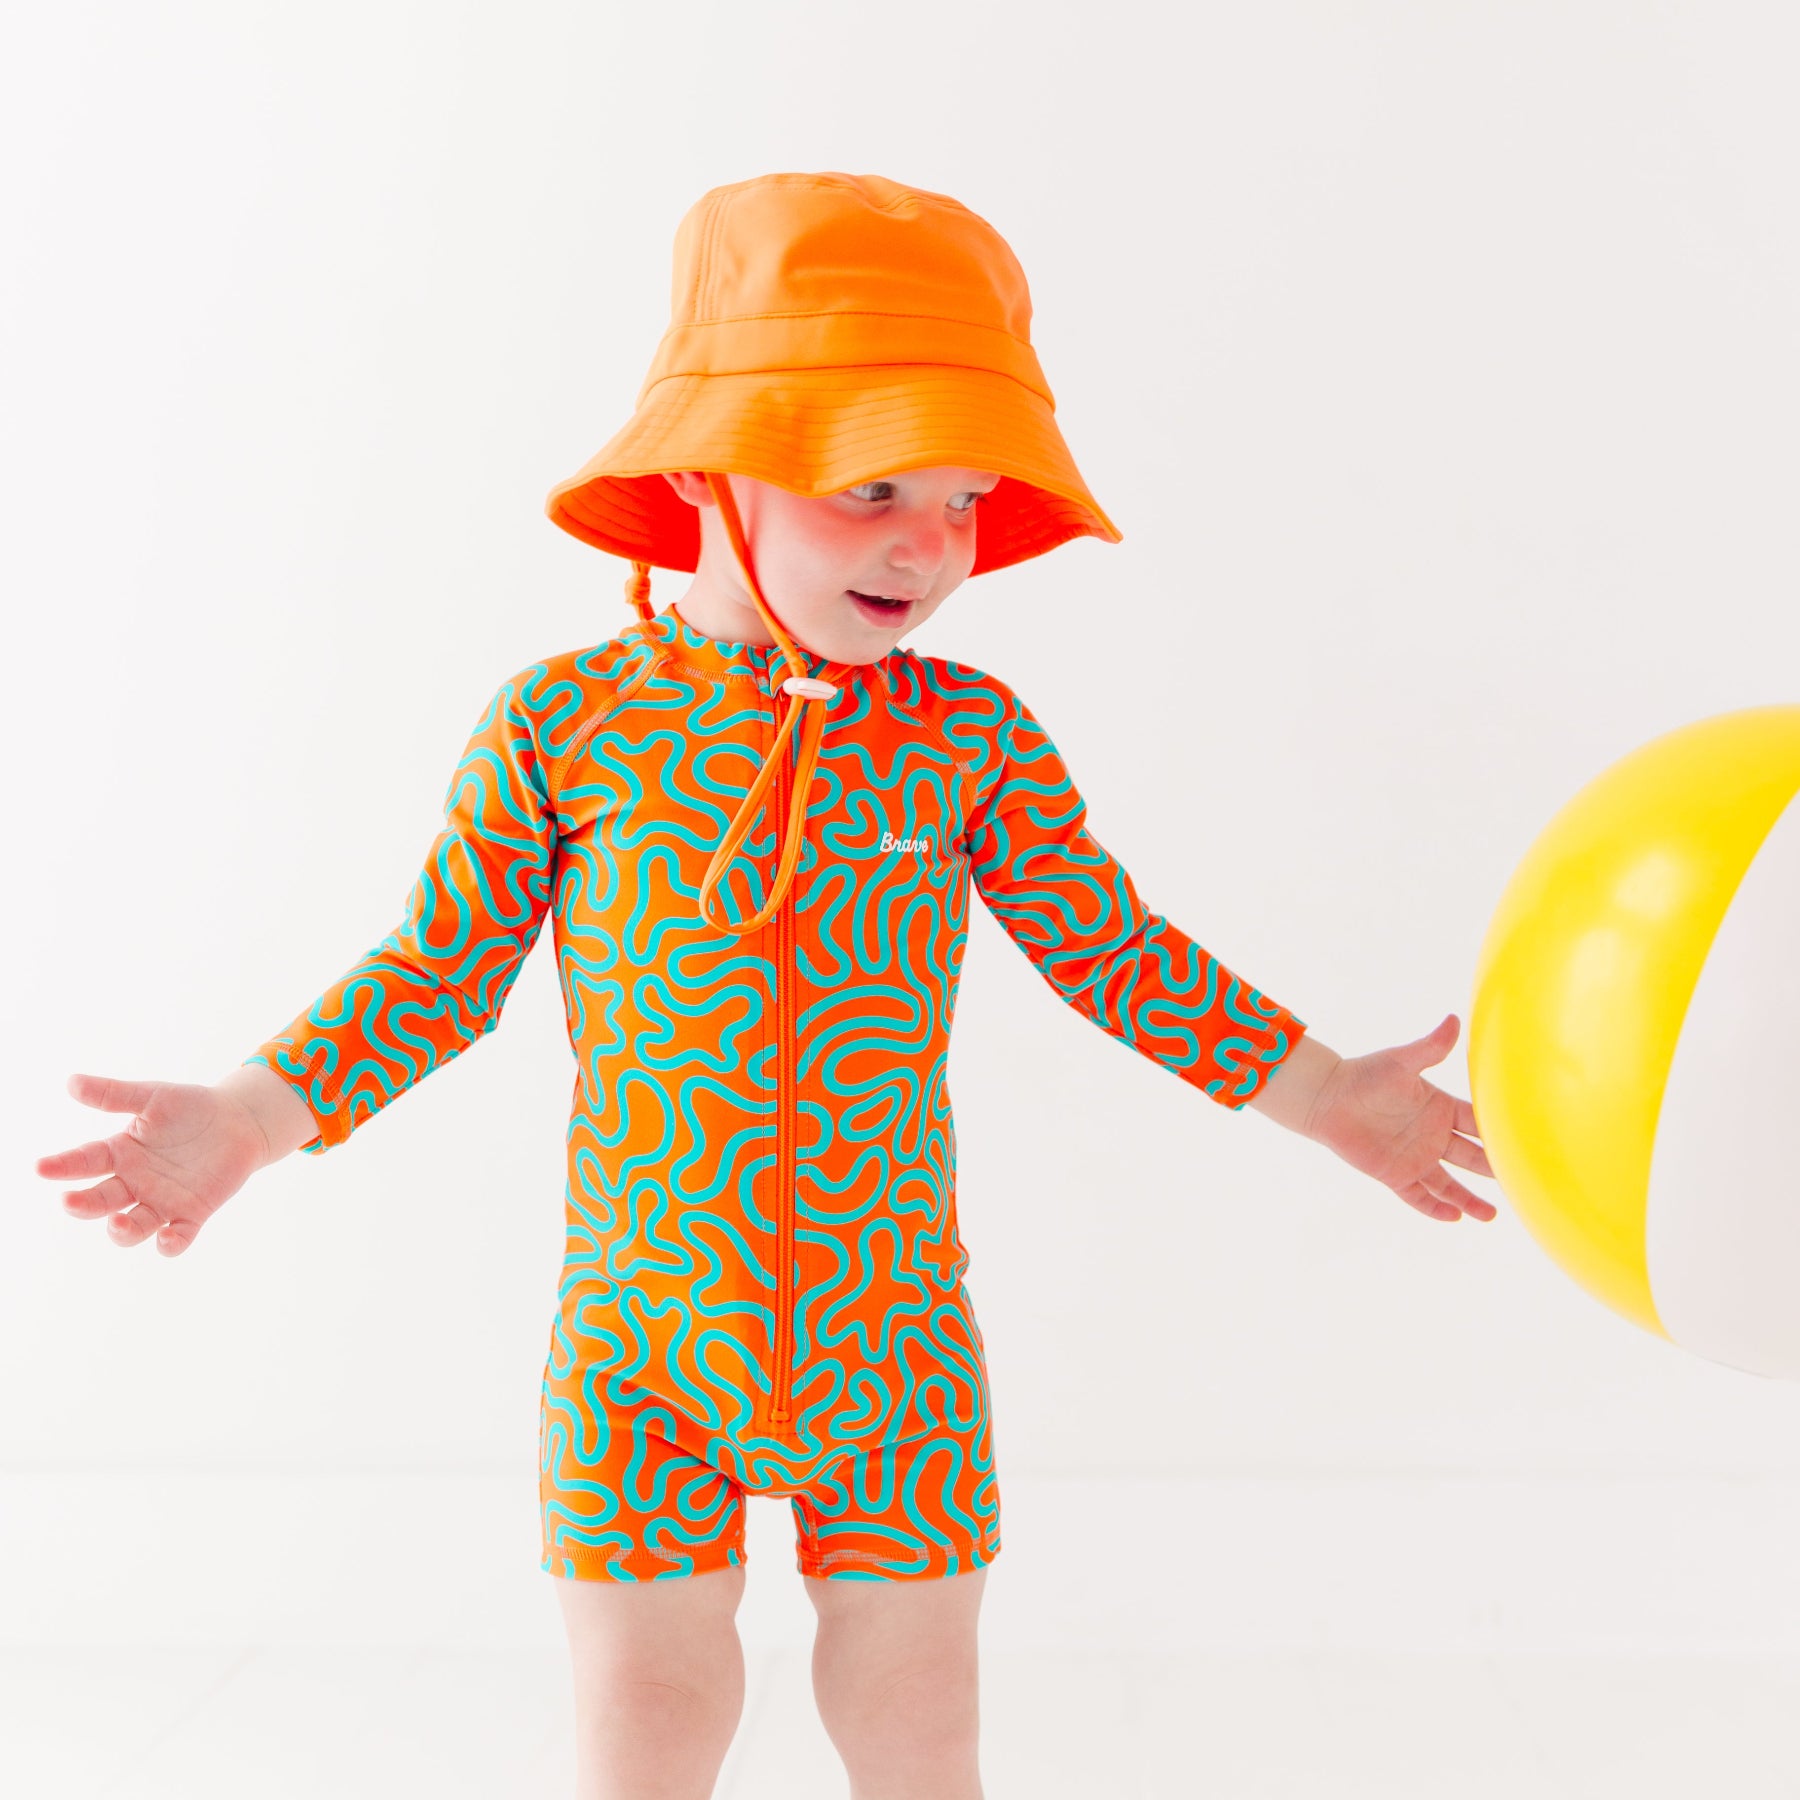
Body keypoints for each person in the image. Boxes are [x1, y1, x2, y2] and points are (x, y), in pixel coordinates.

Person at [35, 171, 1496, 1800]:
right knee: (649, 1706)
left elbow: (1121, 959)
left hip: (892, 1328)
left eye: (960, 504)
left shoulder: (969, 738)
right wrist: (251, 1114)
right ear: (712, 473)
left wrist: (1329, 1101)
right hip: (646, 1326)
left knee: (919, 1704)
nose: (930, 548)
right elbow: (436, 974)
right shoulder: (565, 727)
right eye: (874, 490)